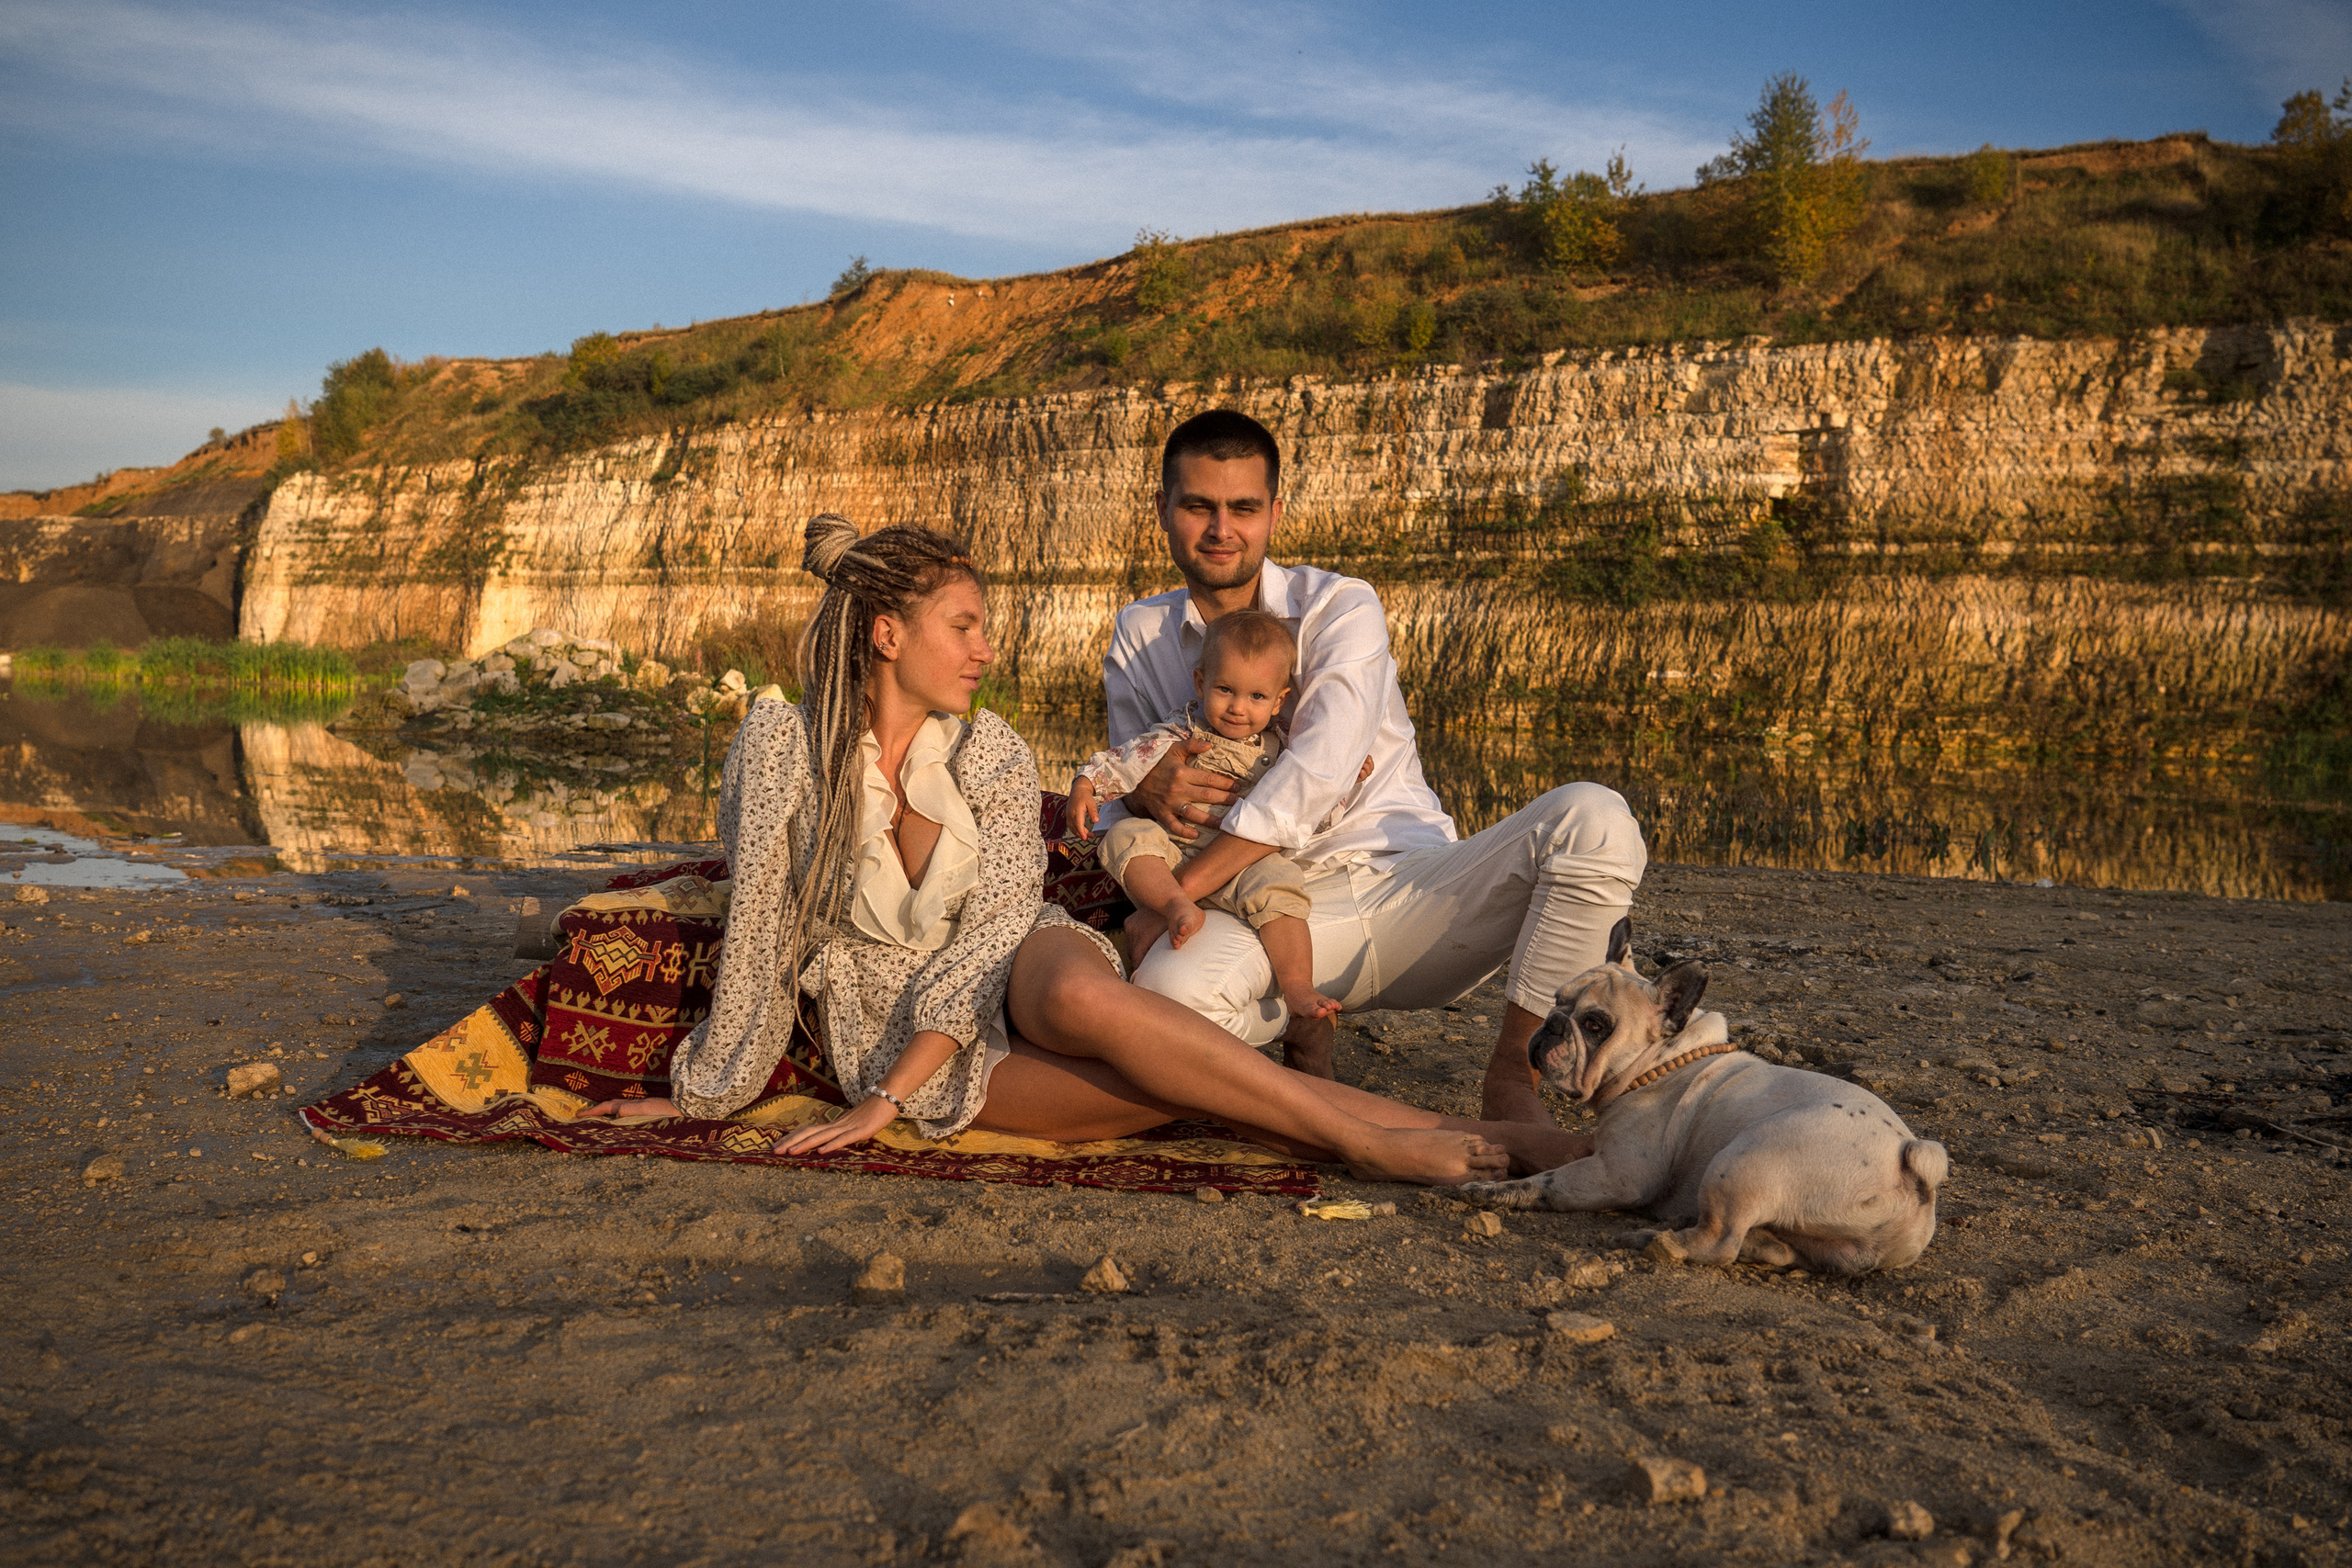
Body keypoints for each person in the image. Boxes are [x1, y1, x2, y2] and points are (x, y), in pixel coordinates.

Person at [575, 514, 1587, 1185]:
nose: (986, 649)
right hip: (887, 1022)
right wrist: (697, 1095)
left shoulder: (994, 751)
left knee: (1072, 991)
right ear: (886, 635)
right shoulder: (781, 748)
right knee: (1171, 1091)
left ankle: (1372, 1145)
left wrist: (882, 1099)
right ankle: (1515, 1148)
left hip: (1020, 962)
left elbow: (1004, 924)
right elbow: (756, 930)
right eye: (964, 626)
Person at [1098, 409, 1649, 1126]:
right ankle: (1304, 1054)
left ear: (1275, 513)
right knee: (1169, 998)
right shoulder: (1141, 632)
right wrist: (1140, 787)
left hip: (1406, 890)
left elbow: (1316, 774)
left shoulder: (1338, 605)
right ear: (1163, 508)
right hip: (1262, 907)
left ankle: (1514, 1077)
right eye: (1199, 505)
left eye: (1244, 508)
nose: (1221, 529)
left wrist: (1167, 901)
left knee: (1595, 820)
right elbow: (1128, 797)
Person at [1067, 608, 1348, 1040]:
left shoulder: (1287, 749)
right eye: (1225, 690)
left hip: (1242, 859)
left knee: (1280, 886)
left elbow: (1313, 804)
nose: (1238, 708)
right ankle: (1174, 904)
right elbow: (1129, 759)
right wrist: (1089, 782)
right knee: (1127, 836)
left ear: (1278, 701)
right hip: (1177, 845)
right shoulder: (1181, 730)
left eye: (1257, 697)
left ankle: (1297, 986)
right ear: (1201, 684)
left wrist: (1347, 774)